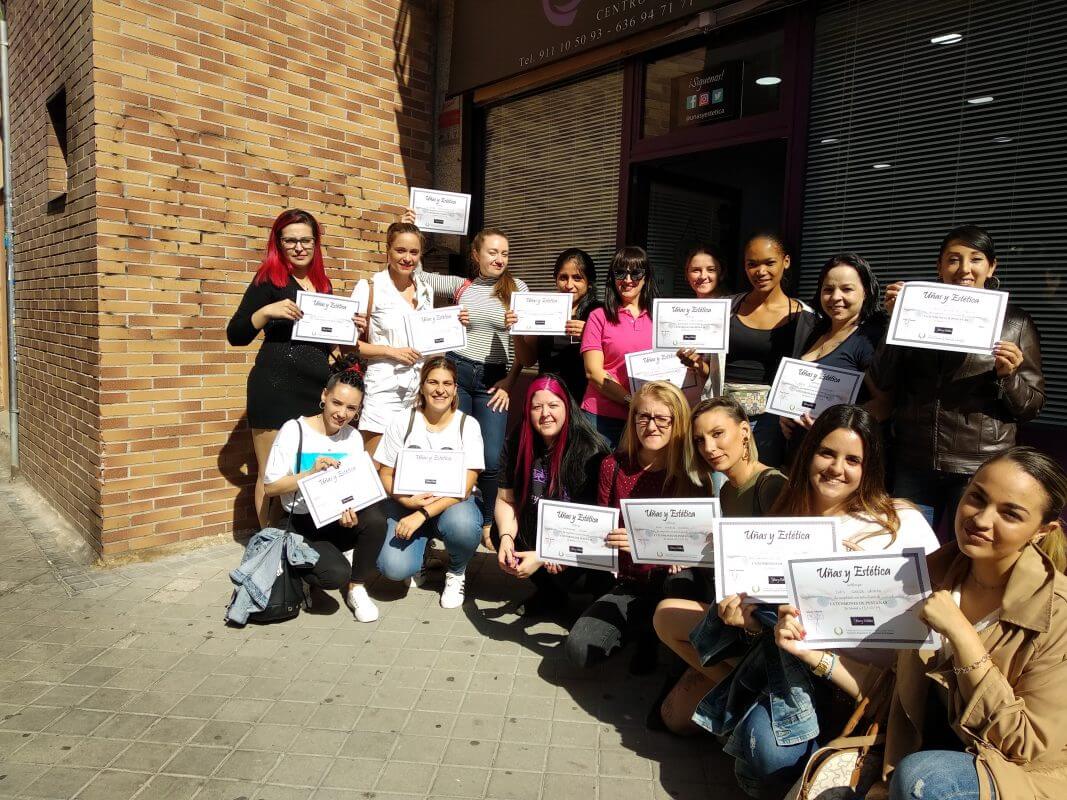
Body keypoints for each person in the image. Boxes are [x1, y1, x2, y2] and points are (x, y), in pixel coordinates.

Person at [653, 405, 938, 772]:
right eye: (827, 453)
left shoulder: (901, 522)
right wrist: (749, 618)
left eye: (853, 459)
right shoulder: (786, 519)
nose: (837, 468)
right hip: (792, 670)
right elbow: (766, 611)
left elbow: (932, 624)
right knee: (749, 753)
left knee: (761, 754)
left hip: (865, 683)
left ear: (871, 467)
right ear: (809, 453)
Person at [775, 446, 1067, 800]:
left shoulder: (1056, 614)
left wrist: (962, 636)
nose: (982, 519)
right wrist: (811, 652)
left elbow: (1023, 743)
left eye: (1011, 514)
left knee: (925, 779)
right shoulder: (928, 576)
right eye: (977, 497)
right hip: (910, 762)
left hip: (1013, 778)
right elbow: (894, 692)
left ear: (1042, 530)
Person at [869, 224, 1045, 532]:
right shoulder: (915, 313)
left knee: (969, 554)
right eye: (953, 259)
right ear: (939, 266)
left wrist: (1009, 377)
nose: (964, 269)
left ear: (992, 267)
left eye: (976, 259)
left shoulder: (1015, 322)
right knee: (908, 550)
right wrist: (895, 323)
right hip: (914, 459)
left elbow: (1031, 407)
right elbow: (882, 380)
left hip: (979, 466)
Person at [227, 209, 363, 528]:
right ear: (279, 243)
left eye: (306, 240)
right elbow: (235, 334)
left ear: (316, 243)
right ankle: (269, 549)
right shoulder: (268, 280)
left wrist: (351, 327)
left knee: (306, 467)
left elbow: (327, 343)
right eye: (291, 241)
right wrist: (267, 311)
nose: (299, 247)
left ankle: (302, 540)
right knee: (272, 473)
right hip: (275, 387)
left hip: (313, 389)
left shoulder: (321, 284)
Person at [565, 381, 708, 674]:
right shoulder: (613, 466)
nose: (651, 426)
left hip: (672, 577)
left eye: (662, 418)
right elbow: (602, 528)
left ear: (677, 422)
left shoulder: (692, 474)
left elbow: (699, 545)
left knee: (683, 583)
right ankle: (642, 627)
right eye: (643, 416)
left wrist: (650, 546)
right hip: (630, 580)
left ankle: (662, 638)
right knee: (579, 649)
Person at [419, 228, 531, 538]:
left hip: (495, 380)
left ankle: (485, 523)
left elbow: (524, 350)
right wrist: (419, 227)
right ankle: (453, 517)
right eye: (493, 252)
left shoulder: (518, 288)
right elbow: (418, 274)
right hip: (457, 374)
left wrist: (510, 381)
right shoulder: (461, 287)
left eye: (504, 253)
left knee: (491, 456)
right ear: (476, 255)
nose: (499, 259)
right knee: (454, 450)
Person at [261, 355, 389, 623]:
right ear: (324, 396)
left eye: (352, 408)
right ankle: (301, 571)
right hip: (301, 521)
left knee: (376, 517)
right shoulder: (294, 430)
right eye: (337, 403)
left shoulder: (353, 437)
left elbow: (353, 486)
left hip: (336, 520)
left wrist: (351, 508)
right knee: (334, 575)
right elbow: (271, 487)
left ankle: (357, 587)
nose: (342, 413)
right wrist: (309, 473)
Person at [493, 373, 611, 616]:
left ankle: (595, 603)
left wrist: (547, 553)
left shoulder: (590, 450)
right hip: (543, 533)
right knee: (500, 533)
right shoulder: (517, 440)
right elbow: (506, 500)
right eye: (537, 406)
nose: (545, 413)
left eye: (553, 405)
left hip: (582, 544)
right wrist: (506, 537)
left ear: (567, 407)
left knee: (577, 580)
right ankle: (550, 594)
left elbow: (596, 528)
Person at [374, 357, 484, 609]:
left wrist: (421, 514)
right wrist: (405, 501)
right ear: (422, 386)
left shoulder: (468, 426)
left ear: (455, 388)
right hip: (407, 502)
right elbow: (385, 474)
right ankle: (421, 554)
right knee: (393, 568)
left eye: (447, 383)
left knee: (463, 526)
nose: (440, 389)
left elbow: (465, 488)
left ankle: (456, 572)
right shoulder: (403, 421)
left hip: (453, 504)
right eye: (433, 382)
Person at [721, 232, 816, 469]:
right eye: (752, 264)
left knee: (764, 491)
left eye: (769, 263)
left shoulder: (805, 317)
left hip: (773, 423)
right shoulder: (727, 308)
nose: (760, 271)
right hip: (725, 414)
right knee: (721, 488)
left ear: (786, 261)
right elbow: (710, 367)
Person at [780, 253, 888, 441]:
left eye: (847, 289)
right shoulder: (814, 332)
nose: (836, 297)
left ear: (866, 292)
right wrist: (784, 411)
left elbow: (883, 405)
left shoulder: (869, 339)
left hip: (837, 452)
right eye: (828, 289)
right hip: (799, 450)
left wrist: (833, 424)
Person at [353, 222, 433, 455]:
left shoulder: (426, 290)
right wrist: (392, 351)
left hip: (419, 391)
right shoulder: (370, 287)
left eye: (414, 252)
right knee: (375, 464)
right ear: (387, 250)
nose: (407, 258)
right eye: (400, 250)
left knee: (409, 463)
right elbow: (349, 345)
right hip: (384, 390)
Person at [580, 246, 659, 450]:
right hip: (602, 419)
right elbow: (593, 372)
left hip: (649, 419)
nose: (627, 279)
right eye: (620, 272)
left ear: (646, 276)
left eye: (636, 272)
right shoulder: (599, 316)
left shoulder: (660, 317)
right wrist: (631, 401)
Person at [535, 249, 602, 402]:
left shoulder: (598, 313)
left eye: (577, 278)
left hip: (584, 400)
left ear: (589, 282)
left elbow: (613, 355)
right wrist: (518, 330)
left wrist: (590, 334)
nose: (569, 285)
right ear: (555, 279)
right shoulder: (544, 310)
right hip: (547, 396)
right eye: (563, 277)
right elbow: (527, 360)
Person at [676, 243, 731, 401]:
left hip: (713, 402)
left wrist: (698, 364)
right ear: (687, 275)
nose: (702, 276)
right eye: (696, 270)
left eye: (711, 269)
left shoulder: (732, 313)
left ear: (721, 273)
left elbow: (721, 373)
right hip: (681, 400)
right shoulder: (679, 314)